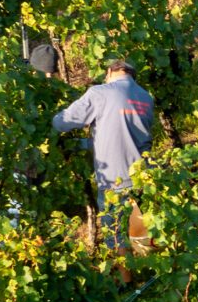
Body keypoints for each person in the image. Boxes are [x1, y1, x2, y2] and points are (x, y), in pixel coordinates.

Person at [54, 59, 155, 245]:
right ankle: (148, 268)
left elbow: (62, 123)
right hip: (142, 177)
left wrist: (50, 120)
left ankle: (125, 274)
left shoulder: (100, 93)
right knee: (141, 237)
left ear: (109, 72)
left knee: (117, 239)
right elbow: (121, 134)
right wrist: (81, 144)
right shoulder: (146, 98)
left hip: (113, 181)